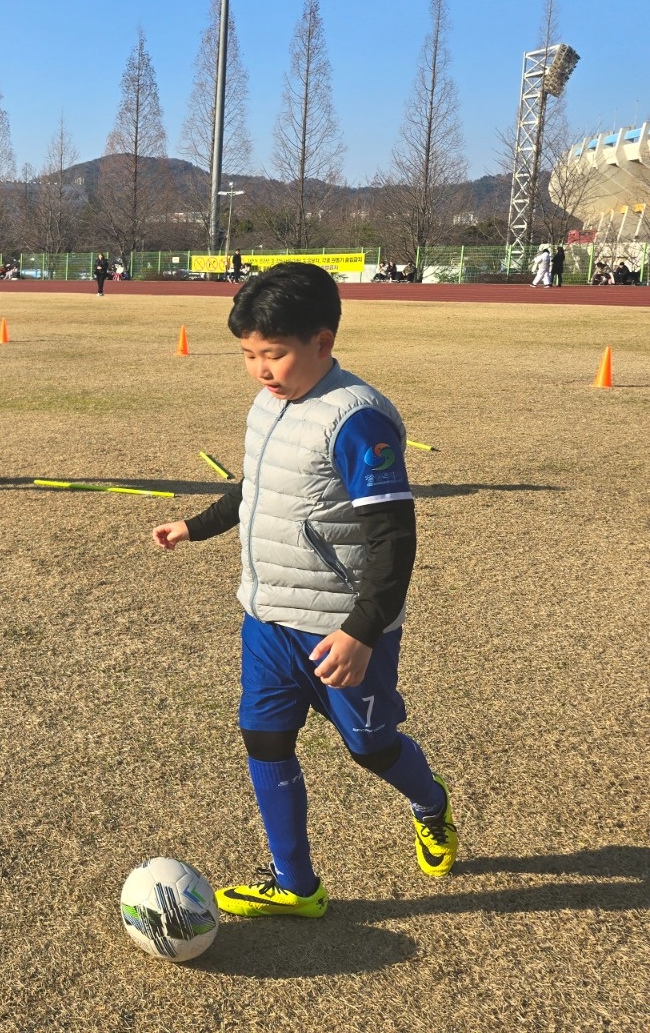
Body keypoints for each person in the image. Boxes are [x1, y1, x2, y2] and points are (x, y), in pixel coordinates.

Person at [150, 262, 456, 919]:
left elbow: (394, 539)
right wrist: (194, 527)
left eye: (275, 353)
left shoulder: (357, 419)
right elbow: (255, 486)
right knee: (264, 739)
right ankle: (296, 885)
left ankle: (431, 804)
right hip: (266, 619)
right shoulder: (269, 402)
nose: (261, 368)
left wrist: (361, 630)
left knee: (369, 748)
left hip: (338, 627)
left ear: (323, 340)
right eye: (249, 354)